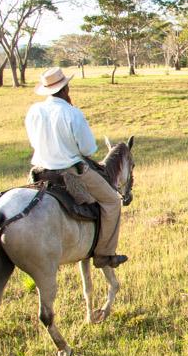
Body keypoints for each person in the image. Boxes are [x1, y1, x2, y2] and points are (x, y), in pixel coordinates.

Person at [25, 67, 127, 269]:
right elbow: (88, 148)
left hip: (40, 171)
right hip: (70, 171)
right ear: (65, 89)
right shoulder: (72, 113)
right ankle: (104, 254)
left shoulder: (34, 111)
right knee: (112, 201)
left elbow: (34, 143)